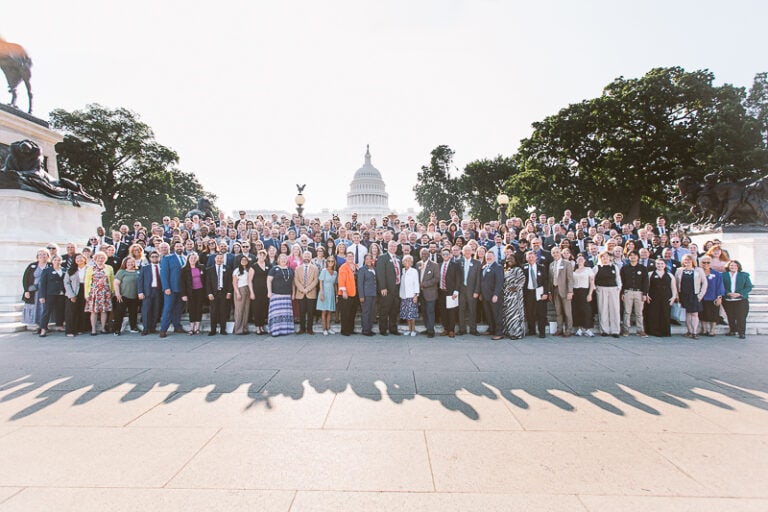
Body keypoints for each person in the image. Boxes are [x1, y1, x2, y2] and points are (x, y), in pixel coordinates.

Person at [675, 254, 707, 339]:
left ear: (692, 261)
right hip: (684, 295)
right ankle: (689, 331)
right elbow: (675, 283)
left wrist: (701, 295)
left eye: (689, 260)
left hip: (694, 295)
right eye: (685, 260)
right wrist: (677, 295)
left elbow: (704, 283)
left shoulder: (698, 270)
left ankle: (694, 332)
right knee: (688, 313)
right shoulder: (679, 270)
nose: (687, 262)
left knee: (694, 314)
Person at [159, 242, 186, 337]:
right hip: (171, 288)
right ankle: (163, 329)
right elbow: (163, 274)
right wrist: (166, 287)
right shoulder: (167, 258)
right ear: (174, 248)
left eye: (181, 246)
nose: (179, 247)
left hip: (181, 289)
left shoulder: (185, 258)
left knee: (178, 309)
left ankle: (177, 326)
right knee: (168, 308)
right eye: (177, 246)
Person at [84, 251, 115, 335]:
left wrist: (113, 291)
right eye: (98, 258)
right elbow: (87, 282)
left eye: (102, 258)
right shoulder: (90, 268)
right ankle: (93, 330)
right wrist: (86, 294)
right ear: (95, 259)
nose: (100, 259)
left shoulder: (109, 268)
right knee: (93, 311)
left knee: (104, 311)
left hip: (105, 292)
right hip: (94, 292)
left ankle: (103, 328)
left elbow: (112, 280)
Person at [645, 258, 678, 337]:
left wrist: (673, 297)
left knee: (665, 314)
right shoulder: (650, 274)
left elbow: (673, 287)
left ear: (665, 265)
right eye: (658, 264)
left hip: (666, 297)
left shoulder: (670, 275)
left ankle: (664, 331)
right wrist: (646, 295)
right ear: (655, 265)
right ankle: (653, 331)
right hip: (653, 297)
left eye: (662, 264)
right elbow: (646, 286)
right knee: (654, 314)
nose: (660, 265)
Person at [620, 250, 649, 337]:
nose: (633, 257)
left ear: (638, 257)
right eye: (631, 255)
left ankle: (640, 330)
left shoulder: (642, 268)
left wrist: (645, 293)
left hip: (639, 292)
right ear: (628, 257)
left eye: (635, 255)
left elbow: (646, 282)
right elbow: (622, 281)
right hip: (628, 291)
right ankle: (625, 330)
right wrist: (622, 293)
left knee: (639, 313)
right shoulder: (624, 268)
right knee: (627, 312)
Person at [376, 241, 402, 336]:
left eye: (394, 246)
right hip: (387, 289)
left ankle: (393, 329)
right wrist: (383, 287)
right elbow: (380, 273)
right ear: (388, 247)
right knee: (384, 309)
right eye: (391, 246)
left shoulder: (399, 258)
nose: (393, 247)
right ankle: (383, 329)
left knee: (394, 310)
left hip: (397, 288)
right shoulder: (382, 258)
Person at [593, 251, 622, 338]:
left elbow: (618, 278)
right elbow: (591, 279)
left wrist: (618, 288)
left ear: (610, 258)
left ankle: (615, 330)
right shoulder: (597, 267)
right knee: (603, 309)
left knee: (615, 310)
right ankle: (604, 330)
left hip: (613, 289)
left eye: (606, 257)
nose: (605, 259)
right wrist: (595, 288)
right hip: (601, 289)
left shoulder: (614, 267)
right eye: (603, 257)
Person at [722, 260, 753, 339]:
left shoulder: (744, 275)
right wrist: (728, 293)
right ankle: (732, 330)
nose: (733, 267)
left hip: (741, 299)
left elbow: (749, 286)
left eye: (735, 265)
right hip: (728, 299)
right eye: (731, 265)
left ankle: (741, 332)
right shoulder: (723, 275)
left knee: (741, 316)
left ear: (738, 267)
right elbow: (721, 286)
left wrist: (739, 293)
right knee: (730, 316)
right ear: (728, 266)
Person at [21, 248, 51, 330]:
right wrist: (26, 290)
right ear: (37, 256)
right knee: (35, 308)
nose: (42, 256)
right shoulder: (32, 266)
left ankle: (45, 325)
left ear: (48, 256)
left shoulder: (51, 265)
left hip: (46, 291)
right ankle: (38, 326)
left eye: (44, 254)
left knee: (45, 308)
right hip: (34, 291)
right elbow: (25, 279)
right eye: (40, 254)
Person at [548, 246, 574, 337]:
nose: (555, 254)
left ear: (560, 253)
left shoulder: (567, 263)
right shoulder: (551, 265)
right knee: (558, 311)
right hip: (554, 290)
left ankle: (568, 330)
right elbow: (550, 280)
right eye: (553, 253)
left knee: (567, 312)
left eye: (557, 252)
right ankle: (559, 329)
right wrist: (549, 292)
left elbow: (570, 279)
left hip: (565, 290)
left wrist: (570, 291)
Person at [522, 250, 549, 338]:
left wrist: (546, 293)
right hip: (528, 292)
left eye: (532, 256)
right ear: (526, 258)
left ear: (536, 257)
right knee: (530, 312)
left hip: (539, 292)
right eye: (529, 257)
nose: (531, 258)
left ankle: (542, 331)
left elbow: (546, 281)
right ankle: (532, 330)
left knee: (541, 312)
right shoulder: (523, 268)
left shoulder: (542, 267)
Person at [38, 255, 66, 337]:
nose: (57, 262)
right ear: (52, 261)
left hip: (61, 294)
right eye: (55, 260)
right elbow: (42, 284)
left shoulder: (64, 270)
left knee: (60, 310)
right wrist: (42, 296)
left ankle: (59, 325)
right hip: (50, 294)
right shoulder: (47, 270)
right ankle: (43, 329)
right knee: (47, 311)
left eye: (59, 260)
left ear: (61, 261)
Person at [456, 244, 482, 335]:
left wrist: (477, 291)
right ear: (462, 252)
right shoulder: (458, 262)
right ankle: (462, 329)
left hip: (472, 290)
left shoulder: (477, 263)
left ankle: (473, 329)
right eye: (465, 250)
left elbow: (479, 279)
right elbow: (457, 277)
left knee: (472, 310)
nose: (467, 252)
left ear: (472, 252)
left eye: (469, 250)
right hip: (461, 290)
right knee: (461, 310)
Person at [267, 253, 294, 337]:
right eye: (281, 258)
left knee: (285, 314)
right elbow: (268, 280)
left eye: (285, 258)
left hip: (286, 295)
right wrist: (269, 292)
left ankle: (285, 330)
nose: (283, 260)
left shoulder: (290, 269)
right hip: (276, 295)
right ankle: (276, 330)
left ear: (287, 260)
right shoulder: (274, 269)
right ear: (278, 260)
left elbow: (293, 283)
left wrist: (293, 293)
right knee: (277, 314)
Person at [480, 251, 505, 340]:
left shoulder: (498, 267)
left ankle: (499, 332)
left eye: (490, 256)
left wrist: (496, 294)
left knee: (497, 314)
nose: (488, 258)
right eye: (487, 257)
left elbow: (499, 282)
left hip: (494, 296)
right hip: (485, 296)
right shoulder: (484, 267)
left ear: (494, 257)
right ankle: (492, 329)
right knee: (489, 314)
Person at [206, 252, 232, 336]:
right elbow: (207, 283)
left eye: (221, 258)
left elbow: (229, 282)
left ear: (223, 259)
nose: (219, 259)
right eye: (218, 258)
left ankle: (222, 329)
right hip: (214, 293)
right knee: (213, 312)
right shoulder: (210, 269)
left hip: (224, 293)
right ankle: (213, 329)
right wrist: (209, 293)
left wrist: (229, 292)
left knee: (223, 311)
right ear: (215, 259)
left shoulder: (227, 268)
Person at [112, 257, 140, 335]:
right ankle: (117, 329)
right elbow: (116, 283)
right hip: (123, 296)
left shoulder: (138, 272)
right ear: (125, 263)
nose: (130, 264)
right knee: (120, 313)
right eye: (128, 262)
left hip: (134, 296)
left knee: (133, 313)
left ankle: (133, 327)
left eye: (132, 262)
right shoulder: (122, 272)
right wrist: (118, 294)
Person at [180, 252, 207, 335]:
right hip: (190, 292)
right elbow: (182, 283)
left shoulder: (201, 267)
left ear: (197, 259)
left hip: (200, 291)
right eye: (191, 258)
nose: (193, 260)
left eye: (195, 258)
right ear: (188, 259)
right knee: (192, 310)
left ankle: (197, 328)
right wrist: (183, 294)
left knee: (199, 309)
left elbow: (205, 280)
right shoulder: (184, 269)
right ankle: (191, 328)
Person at [293, 250, 319, 334]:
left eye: (308, 256)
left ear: (311, 258)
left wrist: (307, 289)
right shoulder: (298, 268)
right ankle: (302, 328)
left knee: (311, 312)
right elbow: (296, 280)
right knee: (302, 312)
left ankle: (309, 329)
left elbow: (315, 280)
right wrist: (302, 289)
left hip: (311, 293)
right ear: (302, 257)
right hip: (300, 293)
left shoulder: (315, 268)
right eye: (305, 256)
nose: (307, 257)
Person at [137, 251, 162, 336]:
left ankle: (153, 327)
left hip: (159, 291)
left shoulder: (162, 267)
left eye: (156, 256)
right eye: (153, 256)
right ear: (150, 258)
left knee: (156, 309)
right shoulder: (145, 268)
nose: (155, 258)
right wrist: (140, 292)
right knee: (146, 310)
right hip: (148, 291)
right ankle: (146, 328)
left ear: (159, 257)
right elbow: (140, 281)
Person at [699, 255, 725, 337]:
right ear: (700, 263)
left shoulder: (716, 274)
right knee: (702, 314)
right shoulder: (698, 273)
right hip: (702, 297)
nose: (706, 264)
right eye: (704, 262)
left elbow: (720, 285)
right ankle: (704, 329)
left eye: (708, 262)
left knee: (713, 314)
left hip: (713, 297)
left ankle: (712, 330)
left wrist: (719, 297)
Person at [501, 253, 525, 340]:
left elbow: (522, 280)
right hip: (506, 295)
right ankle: (508, 331)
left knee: (515, 315)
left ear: (515, 260)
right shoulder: (506, 270)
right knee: (507, 314)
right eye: (508, 259)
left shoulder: (518, 269)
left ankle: (516, 333)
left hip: (515, 296)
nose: (509, 260)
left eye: (511, 259)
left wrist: (515, 288)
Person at [64, 253, 88, 337]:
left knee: (82, 311)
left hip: (85, 291)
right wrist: (71, 295)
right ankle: (70, 331)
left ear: (85, 259)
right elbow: (66, 282)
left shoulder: (89, 269)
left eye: (81, 258)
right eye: (77, 258)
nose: (79, 260)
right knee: (71, 311)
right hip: (73, 291)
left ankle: (80, 329)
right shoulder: (71, 270)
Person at [417, 247, 439, 338]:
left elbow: (436, 279)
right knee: (424, 312)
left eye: (425, 254)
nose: (424, 255)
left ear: (429, 254)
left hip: (430, 293)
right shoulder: (418, 264)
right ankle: (427, 328)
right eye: (422, 254)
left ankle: (431, 331)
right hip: (421, 294)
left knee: (430, 312)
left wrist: (423, 284)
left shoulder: (434, 265)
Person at [572, 254, 596, 337]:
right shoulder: (574, 270)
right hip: (575, 291)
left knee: (586, 310)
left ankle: (587, 329)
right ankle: (579, 329)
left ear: (585, 260)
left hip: (585, 291)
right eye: (578, 259)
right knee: (577, 310)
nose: (580, 261)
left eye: (582, 259)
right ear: (576, 261)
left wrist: (590, 294)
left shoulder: (588, 269)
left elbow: (592, 282)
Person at [232, 255, 255, 335]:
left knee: (246, 310)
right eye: (242, 260)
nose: (244, 261)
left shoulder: (249, 270)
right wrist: (237, 293)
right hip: (240, 289)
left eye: (245, 260)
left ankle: (244, 328)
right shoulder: (237, 270)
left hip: (247, 289)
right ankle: (238, 329)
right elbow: (234, 283)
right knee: (239, 310)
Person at [398, 254, 420, 336]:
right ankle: (409, 329)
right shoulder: (402, 271)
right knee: (407, 314)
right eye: (405, 261)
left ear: (411, 262)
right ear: (403, 262)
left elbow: (416, 283)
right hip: (404, 295)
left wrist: (416, 295)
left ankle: (413, 330)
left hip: (411, 295)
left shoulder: (414, 271)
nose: (407, 262)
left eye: (409, 261)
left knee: (412, 314)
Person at [337, 251, 358, 336]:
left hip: (355, 293)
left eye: (351, 256)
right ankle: (344, 330)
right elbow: (341, 280)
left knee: (352, 312)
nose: (350, 258)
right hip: (346, 293)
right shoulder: (343, 267)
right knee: (345, 313)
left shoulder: (356, 266)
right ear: (345, 258)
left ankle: (351, 329)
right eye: (348, 256)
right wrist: (344, 291)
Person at [251, 249, 270, 335]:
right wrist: (251, 292)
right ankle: (257, 327)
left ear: (265, 257)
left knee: (263, 309)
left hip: (265, 290)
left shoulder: (268, 265)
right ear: (257, 256)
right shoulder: (253, 266)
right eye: (260, 255)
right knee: (257, 309)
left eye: (263, 255)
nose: (262, 256)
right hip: (256, 290)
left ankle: (262, 327)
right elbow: (249, 280)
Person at [357, 254, 377, 336]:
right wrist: (361, 296)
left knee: (371, 312)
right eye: (367, 259)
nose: (369, 260)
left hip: (373, 294)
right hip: (366, 294)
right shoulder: (362, 270)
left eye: (370, 259)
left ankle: (369, 328)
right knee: (366, 312)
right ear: (365, 260)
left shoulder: (374, 269)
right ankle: (365, 330)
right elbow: (360, 284)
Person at [317, 257, 337, 335]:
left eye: (332, 261)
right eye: (329, 261)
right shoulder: (324, 271)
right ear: (327, 262)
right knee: (324, 311)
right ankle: (324, 328)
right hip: (324, 292)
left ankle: (328, 328)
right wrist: (321, 293)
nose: (330, 262)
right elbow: (321, 282)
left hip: (331, 292)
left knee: (330, 311)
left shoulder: (335, 272)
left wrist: (337, 296)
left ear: (334, 262)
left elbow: (335, 284)